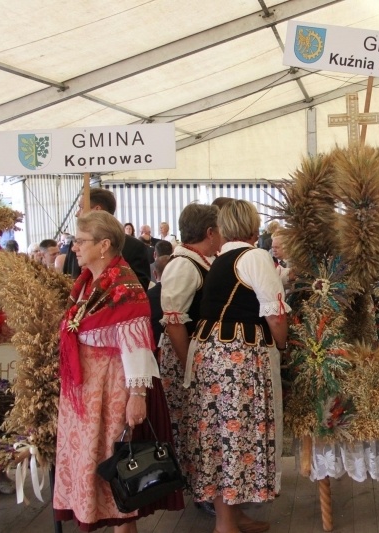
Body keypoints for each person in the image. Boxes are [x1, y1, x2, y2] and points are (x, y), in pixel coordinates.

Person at [53, 211, 183, 532]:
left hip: (112, 385)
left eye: (81, 242)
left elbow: (138, 347)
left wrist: (137, 397)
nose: (74, 248)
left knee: (119, 468)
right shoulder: (87, 283)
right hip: (86, 388)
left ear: (104, 245)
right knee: (96, 464)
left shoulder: (124, 286)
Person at [185, 200, 288, 533]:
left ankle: (232, 516)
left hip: (212, 355)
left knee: (220, 437)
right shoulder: (254, 256)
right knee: (236, 436)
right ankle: (226, 525)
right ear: (252, 225)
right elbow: (274, 312)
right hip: (237, 359)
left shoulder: (220, 259)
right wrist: (283, 344)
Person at [158, 204, 220, 516]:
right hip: (183, 356)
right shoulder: (183, 265)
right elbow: (173, 321)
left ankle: (204, 488)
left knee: (197, 425)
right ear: (210, 232)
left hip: (193, 355)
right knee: (189, 426)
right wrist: (188, 366)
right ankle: (199, 491)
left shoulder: (197, 262)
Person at [64, 188, 151, 288]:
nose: (77, 214)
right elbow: (66, 280)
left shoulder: (134, 247)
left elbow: (138, 290)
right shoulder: (75, 244)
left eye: (81, 207)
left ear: (97, 210)